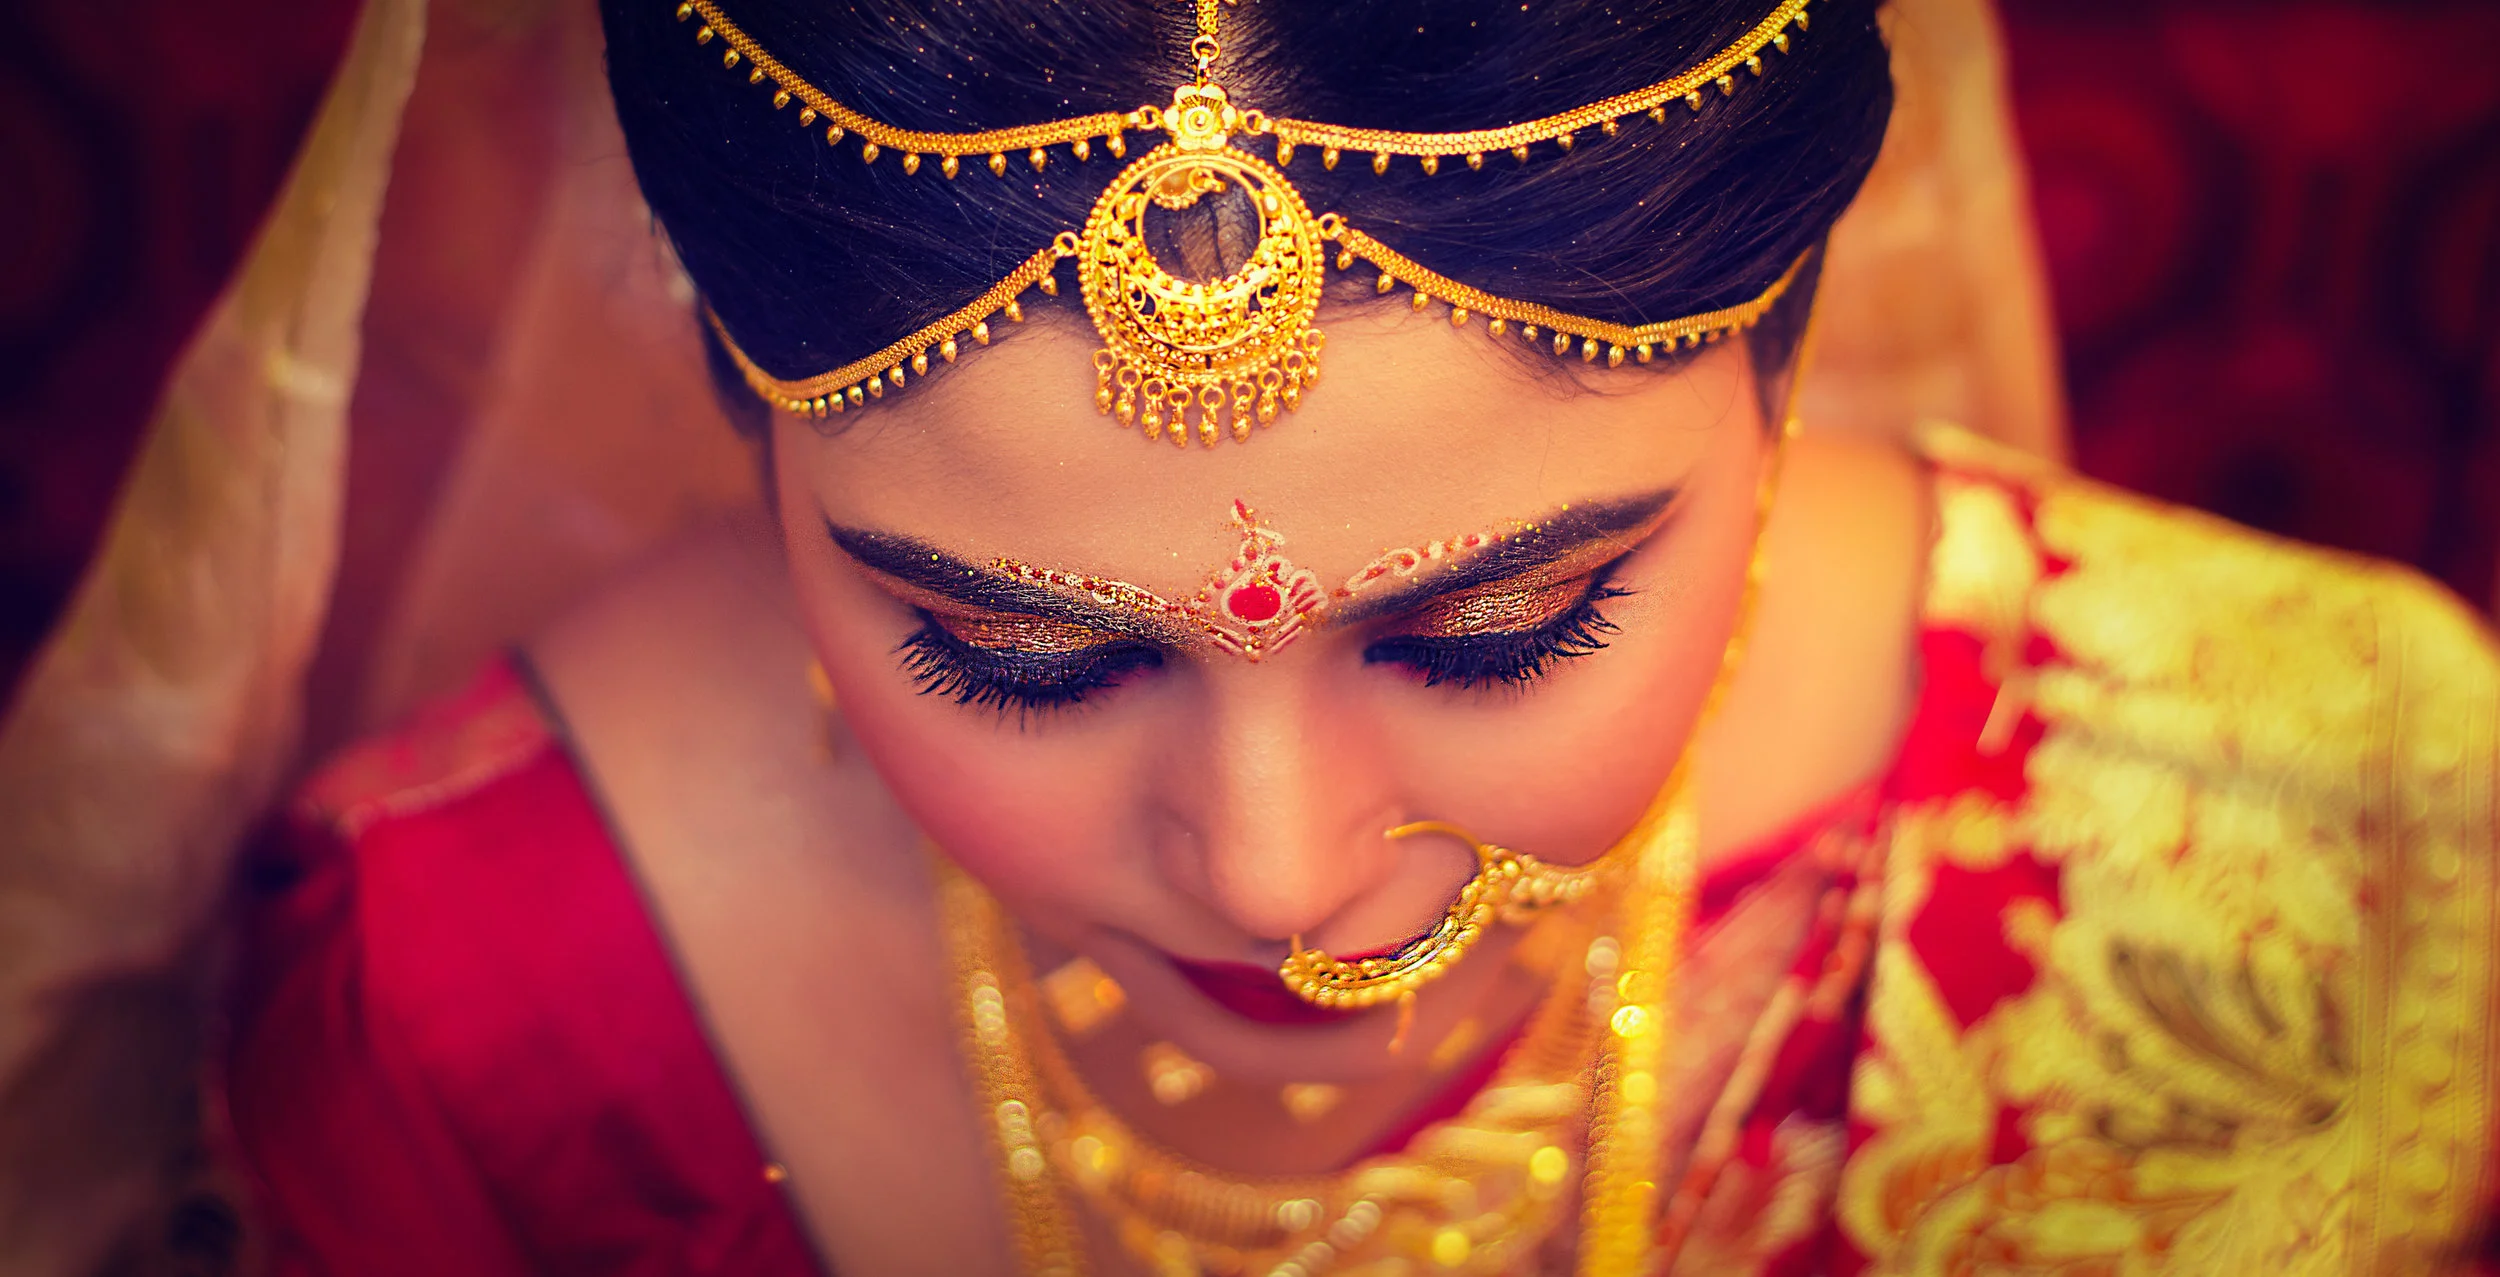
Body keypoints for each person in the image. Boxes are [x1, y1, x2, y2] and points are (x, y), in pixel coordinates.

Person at [206, 0, 2500, 1273]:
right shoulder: (471, 1012)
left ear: (1784, 361)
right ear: (736, 409)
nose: (1279, 869)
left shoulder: (2318, 837)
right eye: (1019, 653)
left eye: (1502, 626)